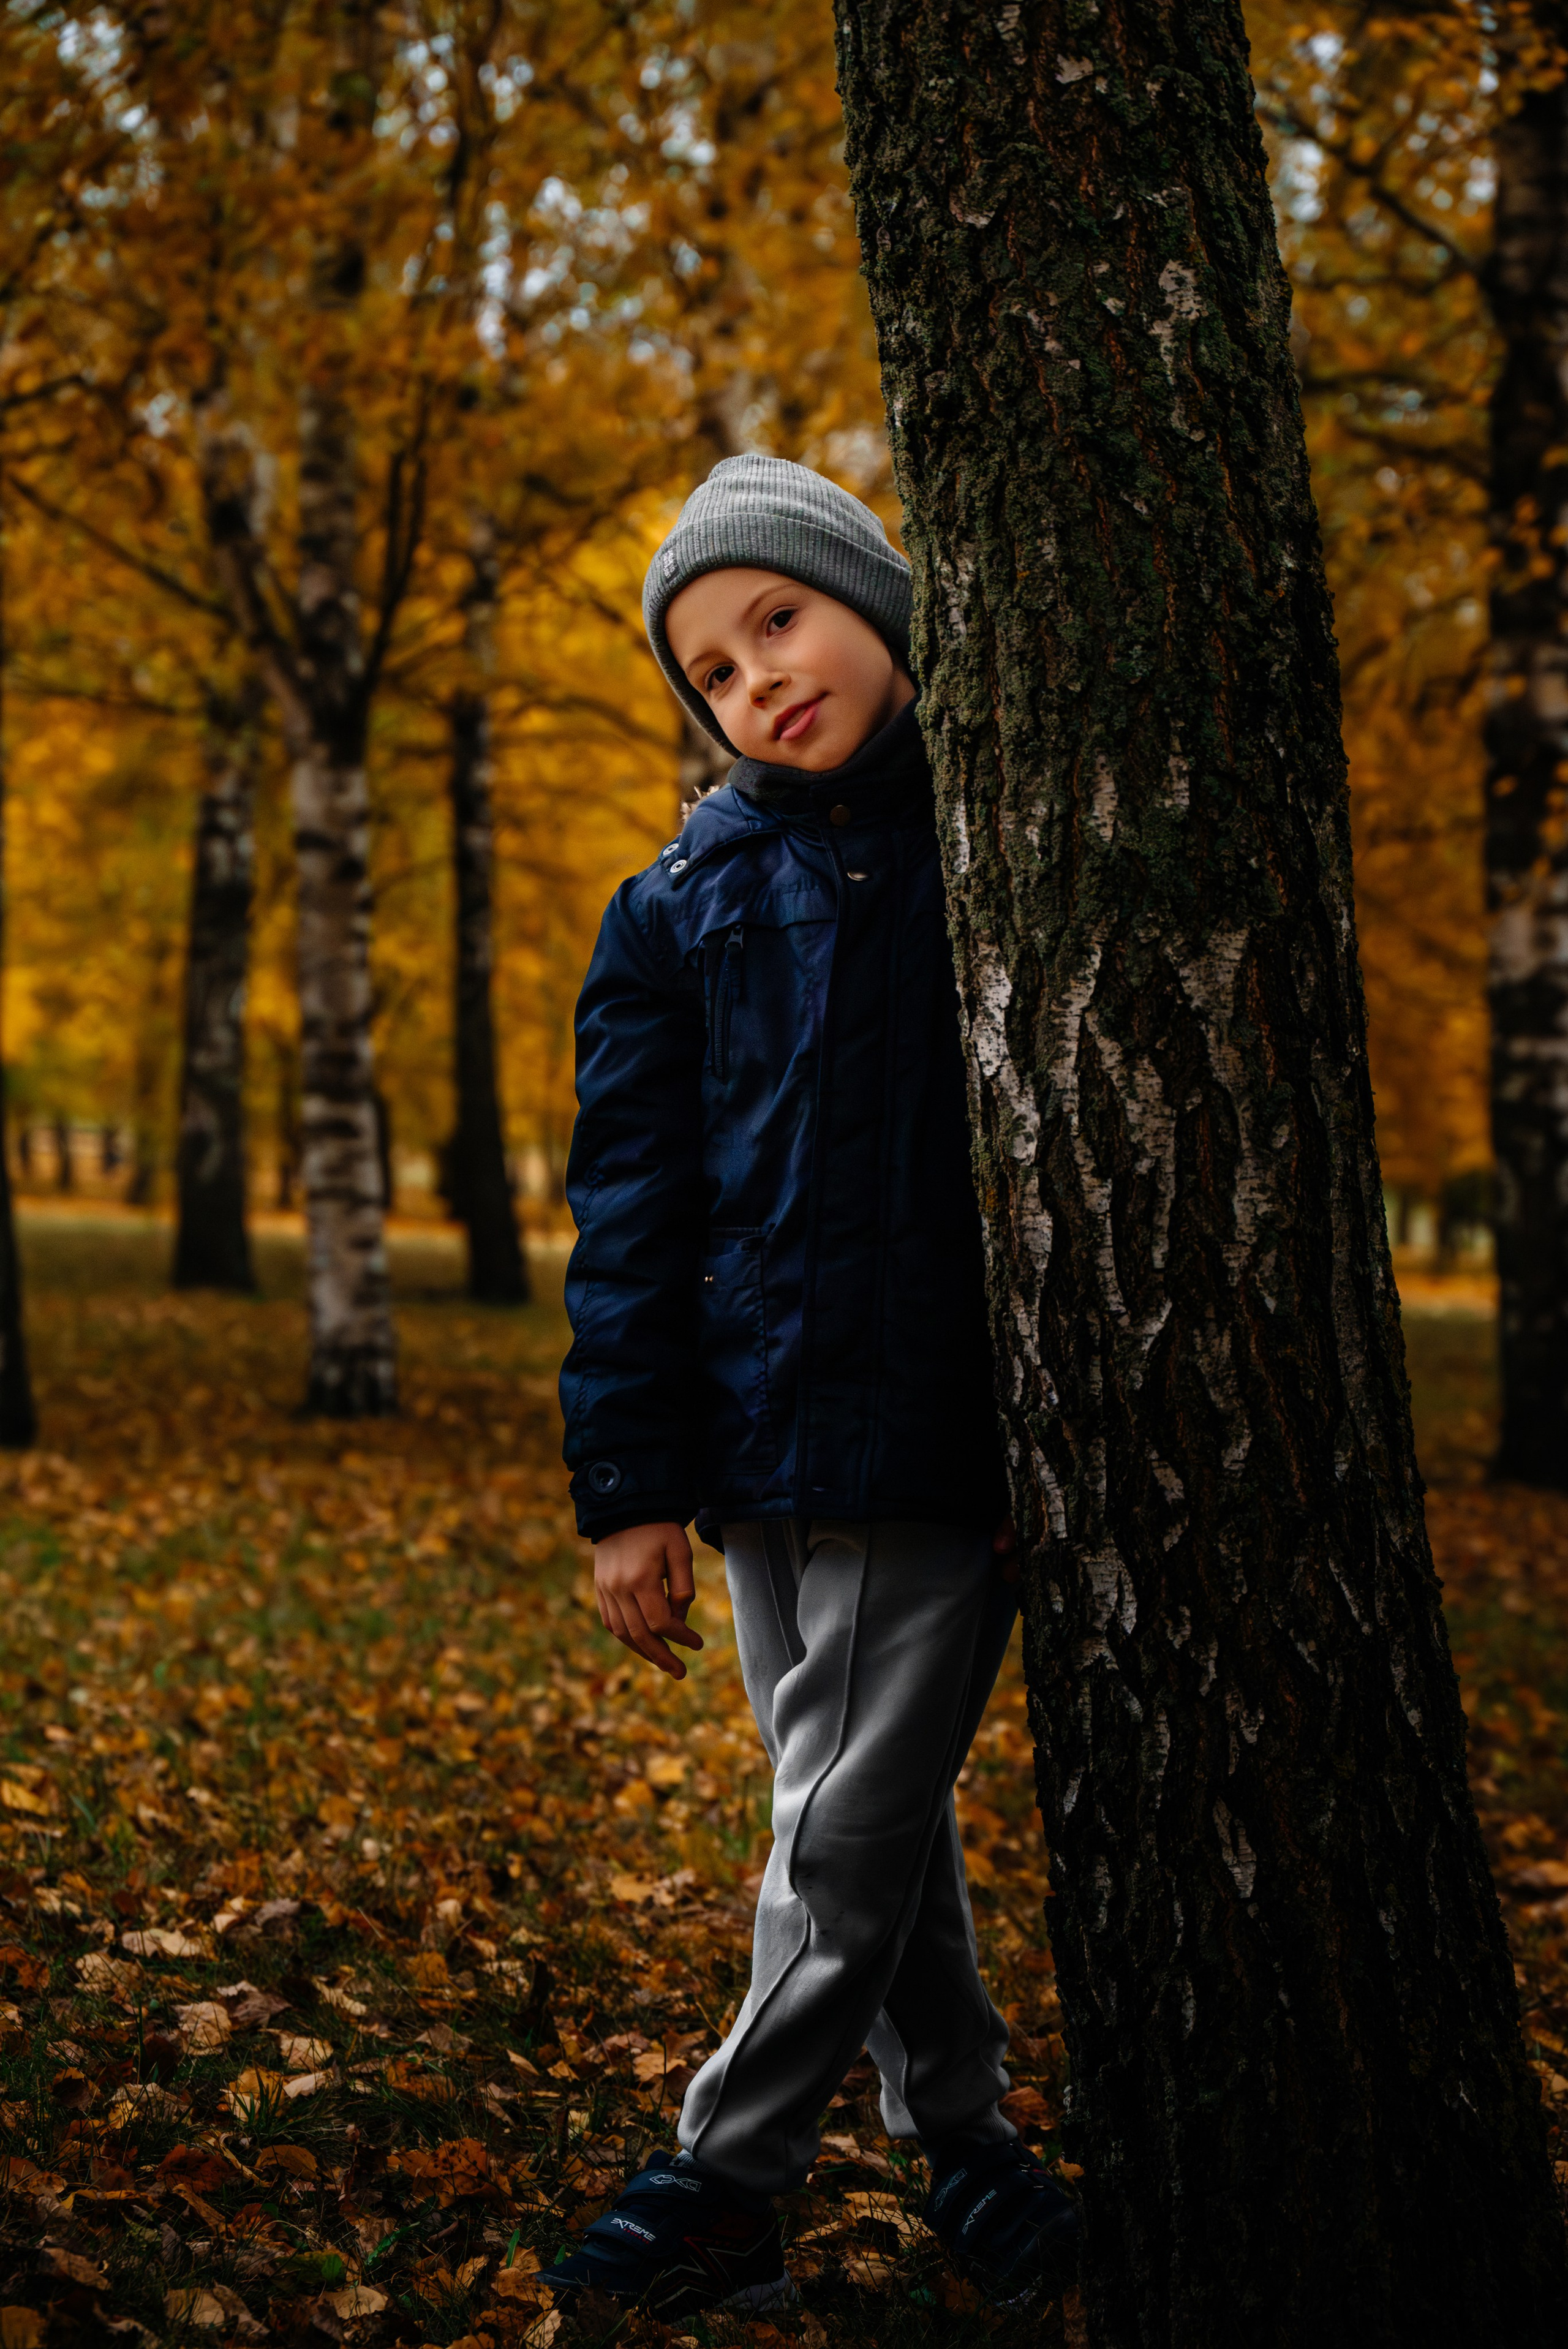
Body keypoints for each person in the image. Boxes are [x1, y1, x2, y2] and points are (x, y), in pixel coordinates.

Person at [552, 456, 1079, 2318]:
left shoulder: (1002, 834)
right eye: (711, 668)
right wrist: (627, 1481)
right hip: (760, 1446)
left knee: (842, 1832)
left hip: (936, 1439)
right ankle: (975, 2151)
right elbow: (631, 1207)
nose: (756, 676)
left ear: (872, 595)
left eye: (778, 616)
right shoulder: (678, 905)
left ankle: (729, 2166)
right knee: (873, 1817)